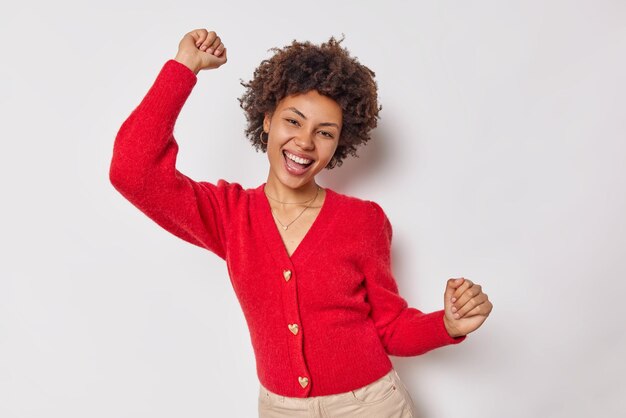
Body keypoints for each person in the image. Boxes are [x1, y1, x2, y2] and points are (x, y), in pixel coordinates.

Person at [109, 28, 493, 418]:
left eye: (324, 133)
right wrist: (183, 68)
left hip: (372, 406)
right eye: (293, 122)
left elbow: (390, 327)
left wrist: (447, 323)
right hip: (280, 409)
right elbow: (132, 171)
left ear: (340, 143)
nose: (305, 142)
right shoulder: (229, 214)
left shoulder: (364, 221)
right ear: (267, 121)